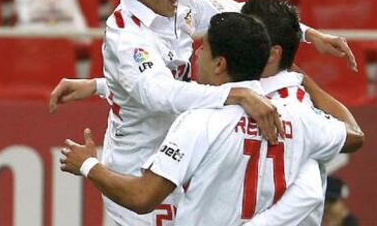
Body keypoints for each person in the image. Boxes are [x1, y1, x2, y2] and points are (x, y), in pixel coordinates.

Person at [50, 0, 357, 224]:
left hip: (185, 153)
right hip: (138, 169)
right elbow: (159, 94)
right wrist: (236, 93)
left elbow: (241, 13)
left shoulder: (181, 7)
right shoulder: (127, 37)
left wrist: (307, 33)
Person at [59, 12, 364, 225]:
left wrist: (87, 164)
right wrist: (302, 79)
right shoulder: (297, 118)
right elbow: (352, 137)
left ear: (219, 63)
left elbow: (143, 197)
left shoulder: (199, 122)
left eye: (202, 49)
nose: (195, 55)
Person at [238, 0, 364, 225]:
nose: (237, 39)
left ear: (272, 53)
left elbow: (354, 138)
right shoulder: (234, 94)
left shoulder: (293, 108)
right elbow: (354, 135)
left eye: (247, 34)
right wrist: (304, 77)